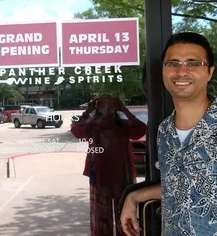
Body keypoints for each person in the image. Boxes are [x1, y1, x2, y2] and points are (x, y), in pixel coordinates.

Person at [120, 32, 216, 236]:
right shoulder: (164, 131)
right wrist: (134, 197)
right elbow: (180, 185)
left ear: (210, 72)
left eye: (193, 63)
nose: (182, 71)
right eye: (172, 63)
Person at [71, 96, 146, 236]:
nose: (108, 110)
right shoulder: (92, 126)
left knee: (125, 212)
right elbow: (76, 130)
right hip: (100, 176)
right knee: (100, 215)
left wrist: (125, 110)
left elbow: (141, 130)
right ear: (98, 108)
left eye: (111, 107)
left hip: (122, 175)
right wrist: (87, 112)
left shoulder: (122, 126)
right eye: (104, 106)